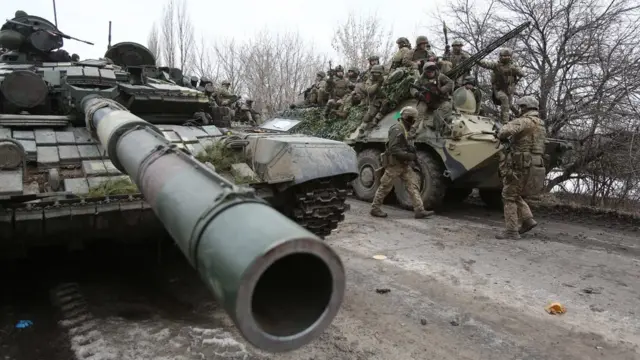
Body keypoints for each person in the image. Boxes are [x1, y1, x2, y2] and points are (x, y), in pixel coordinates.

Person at [495, 96, 546, 239]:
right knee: (514, 192)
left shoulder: (524, 121)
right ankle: (528, 219)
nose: (519, 109)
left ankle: (511, 231)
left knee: (508, 195)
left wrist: (502, 132)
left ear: (524, 107)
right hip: (536, 163)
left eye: (521, 107)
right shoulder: (541, 124)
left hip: (522, 163)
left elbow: (503, 132)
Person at [370, 106, 434, 219]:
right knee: (385, 186)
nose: (414, 122)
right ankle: (375, 208)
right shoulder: (397, 129)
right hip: (395, 164)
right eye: (413, 119)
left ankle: (419, 210)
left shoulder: (404, 128)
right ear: (408, 118)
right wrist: (409, 156)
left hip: (404, 164)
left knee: (412, 185)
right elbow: (393, 149)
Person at [476, 47, 525, 124]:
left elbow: (522, 73)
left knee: (510, 105)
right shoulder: (496, 65)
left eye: (508, 56)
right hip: (498, 89)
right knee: (505, 100)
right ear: (501, 56)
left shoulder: (513, 66)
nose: (506, 57)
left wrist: (515, 70)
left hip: (509, 90)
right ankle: (505, 122)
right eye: (504, 56)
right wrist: (477, 60)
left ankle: (518, 114)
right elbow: (486, 64)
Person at [408, 62, 454, 137]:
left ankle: (437, 128)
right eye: (428, 72)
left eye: (432, 71)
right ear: (425, 71)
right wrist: (417, 94)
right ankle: (413, 129)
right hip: (426, 100)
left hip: (439, 101)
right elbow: (413, 88)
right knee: (419, 111)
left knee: (445, 107)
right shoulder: (421, 78)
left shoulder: (440, 76)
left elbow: (451, 83)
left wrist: (440, 90)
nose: (430, 73)